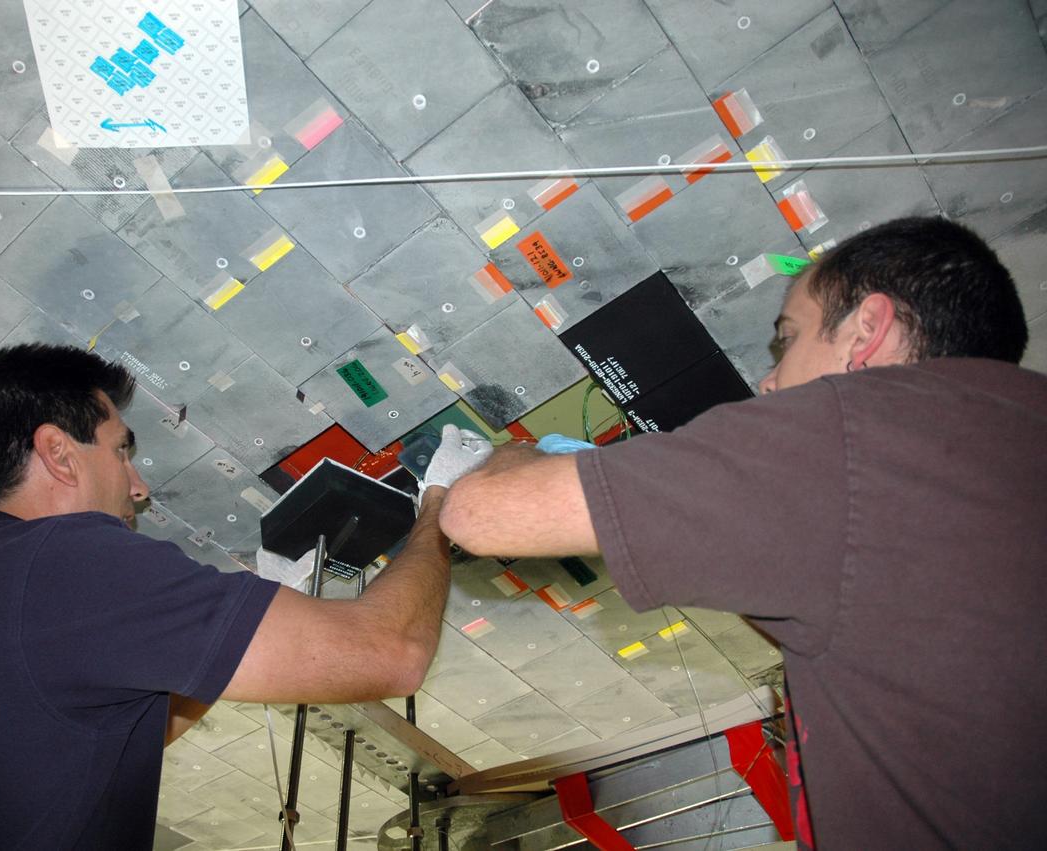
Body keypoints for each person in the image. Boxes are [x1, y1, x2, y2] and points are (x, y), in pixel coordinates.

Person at [438, 217, 1047, 849]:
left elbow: (479, 514)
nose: (770, 380)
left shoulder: (848, 436)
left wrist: (516, 455)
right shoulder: (1002, 456)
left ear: (867, 330)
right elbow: (838, 612)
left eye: (788, 340)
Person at [0, 344, 492, 850]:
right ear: (59, 453)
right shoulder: (60, 563)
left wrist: (253, 621)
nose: (141, 484)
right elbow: (390, 652)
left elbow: (113, 729)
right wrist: (439, 507)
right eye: (123, 449)